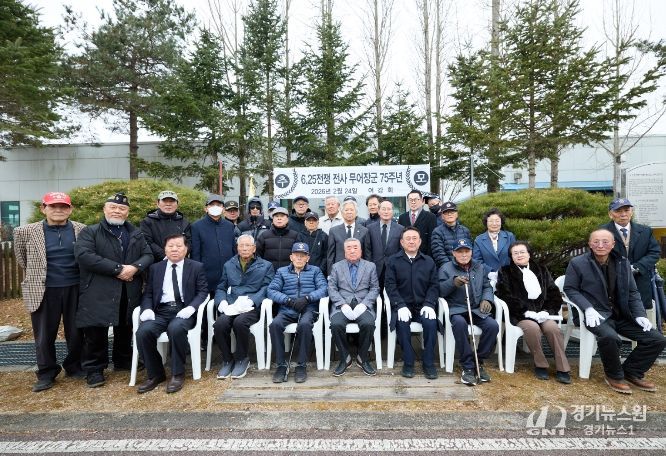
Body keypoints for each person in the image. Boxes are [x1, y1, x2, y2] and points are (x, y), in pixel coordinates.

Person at [564, 229, 666, 394]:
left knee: (656, 339)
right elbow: (570, 289)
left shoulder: (623, 262)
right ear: (590, 244)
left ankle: (632, 371)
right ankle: (614, 375)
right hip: (595, 315)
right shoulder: (577, 263)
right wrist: (587, 308)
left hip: (621, 314)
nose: (600, 245)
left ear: (613, 244)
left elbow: (632, 292)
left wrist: (640, 315)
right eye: (596, 241)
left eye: (605, 242)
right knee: (610, 337)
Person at [74, 193, 153, 388]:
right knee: (95, 330)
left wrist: (135, 268)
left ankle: (123, 359)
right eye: (113, 207)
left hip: (128, 288)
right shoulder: (90, 232)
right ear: (104, 209)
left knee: (125, 325)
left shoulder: (135, 233)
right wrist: (118, 269)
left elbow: (148, 255)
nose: (117, 211)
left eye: (122, 208)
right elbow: (85, 256)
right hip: (98, 289)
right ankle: (94, 369)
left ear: (127, 212)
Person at [14, 192, 86, 392]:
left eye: (63, 206)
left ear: (70, 209)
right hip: (43, 289)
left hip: (76, 287)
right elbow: (22, 259)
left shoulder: (82, 229)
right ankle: (46, 372)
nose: (58, 210)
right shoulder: (24, 231)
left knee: (77, 332)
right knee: (44, 335)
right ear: (43, 208)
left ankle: (74, 366)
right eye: (53, 206)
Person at [135, 234, 209, 394]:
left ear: (186, 249)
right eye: (170, 246)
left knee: (176, 329)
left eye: (179, 246)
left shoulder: (196, 267)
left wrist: (192, 308)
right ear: (165, 249)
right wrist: (146, 308)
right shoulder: (156, 268)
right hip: (161, 311)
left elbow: (203, 291)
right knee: (143, 332)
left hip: (183, 310)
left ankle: (177, 373)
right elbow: (148, 293)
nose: (174, 249)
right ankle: (155, 374)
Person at [495, 241, 571, 383]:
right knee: (532, 328)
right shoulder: (505, 271)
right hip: (521, 314)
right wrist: (525, 312)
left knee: (553, 328)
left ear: (529, 254)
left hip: (543, 313)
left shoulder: (541, 270)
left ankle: (562, 367)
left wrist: (547, 311)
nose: (519, 255)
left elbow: (554, 293)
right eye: (515, 253)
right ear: (511, 256)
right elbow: (504, 295)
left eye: (522, 252)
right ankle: (540, 364)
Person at [213, 234, 275, 380]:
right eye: (242, 245)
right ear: (237, 248)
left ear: (254, 248)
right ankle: (227, 360)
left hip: (252, 306)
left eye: (248, 245)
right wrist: (221, 302)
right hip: (233, 304)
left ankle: (242, 359)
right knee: (220, 324)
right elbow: (221, 287)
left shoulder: (265, 265)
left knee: (240, 322)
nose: (245, 248)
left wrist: (253, 301)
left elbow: (267, 287)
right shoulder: (229, 264)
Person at [439, 238, 498, 386]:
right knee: (459, 324)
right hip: (456, 309)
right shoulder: (445, 268)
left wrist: (487, 299)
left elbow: (487, 286)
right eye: (460, 252)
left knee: (493, 326)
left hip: (476, 309)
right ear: (453, 253)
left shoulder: (479, 267)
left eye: (466, 251)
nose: (464, 255)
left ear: (471, 252)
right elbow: (439, 290)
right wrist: (452, 282)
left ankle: (478, 361)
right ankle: (467, 366)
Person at [267, 242, 328, 383]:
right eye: (296, 255)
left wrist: (307, 298)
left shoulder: (315, 271)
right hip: (287, 309)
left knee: (305, 325)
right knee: (274, 325)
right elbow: (271, 290)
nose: (299, 258)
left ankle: (301, 365)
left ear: (308, 258)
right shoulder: (281, 271)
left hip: (308, 308)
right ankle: (281, 365)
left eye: (303, 255)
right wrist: (288, 300)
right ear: (291, 257)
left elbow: (324, 288)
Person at [384, 227, 439, 379]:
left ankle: (428, 362)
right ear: (402, 242)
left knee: (431, 324)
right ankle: (408, 362)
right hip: (403, 306)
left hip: (423, 306)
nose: (411, 241)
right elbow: (390, 286)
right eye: (408, 239)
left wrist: (429, 304)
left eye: (415, 238)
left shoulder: (428, 261)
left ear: (420, 242)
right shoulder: (393, 261)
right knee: (402, 325)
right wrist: (399, 305)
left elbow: (434, 285)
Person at [328, 238, 380, 376]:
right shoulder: (336, 267)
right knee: (336, 324)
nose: (352, 251)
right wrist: (342, 304)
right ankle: (345, 358)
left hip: (363, 303)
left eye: (355, 248)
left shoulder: (370, 266)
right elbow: (332, 288)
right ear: (344, 251)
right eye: (349, 248)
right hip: (342, 305)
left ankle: (362, 357)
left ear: (361, 251)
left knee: (368, 324)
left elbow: (375, 288)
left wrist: (364, 304)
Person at [602, 198, 661, 310]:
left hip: (640, 281)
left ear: (631, 212)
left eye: (626, 210)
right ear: (610, 214)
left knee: (641, 314)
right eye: (618, 211)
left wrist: (636, 267)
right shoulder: (602, 232)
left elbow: (654, 252)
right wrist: (619, 269)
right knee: (615, 312)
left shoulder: (645, 231)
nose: (623, 214)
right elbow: (599, 254)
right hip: (613, 281)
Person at [190, 195, 237, 297]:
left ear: (223, 209)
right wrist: (198, 275)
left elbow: (234, 250)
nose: (215, 207)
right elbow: (195, 254)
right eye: (212, 204)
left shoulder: (229, 226)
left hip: (228, 274)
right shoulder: (196, 226)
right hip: (207, 276)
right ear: (206, 208)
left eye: (218, 205)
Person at [140, 190, 191, 263]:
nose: (168, 204)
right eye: (165, 201)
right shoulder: (147, 222)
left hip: (180, 262)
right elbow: (147, 241)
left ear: (177, 204)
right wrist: (165, 255)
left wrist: (178, 255)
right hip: (155, 263)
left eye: (171, 201)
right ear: (158, 203)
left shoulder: (184, 222)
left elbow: (188, 242)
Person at [364, 200, 404, 289]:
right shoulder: (369, 228)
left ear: (392, 212)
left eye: (389, 209)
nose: (386, 212)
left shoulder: (400, 229)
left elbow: (401, 250)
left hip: (393, 268)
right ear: (378, 211)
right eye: (383, 209)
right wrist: (369, 266)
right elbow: (367, 250)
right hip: (374, 268)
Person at [472, 208, 516, 281]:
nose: (494, 224)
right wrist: (489, 273)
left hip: (509, 277)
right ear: (486, 222)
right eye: (491, 221)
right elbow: (477, 261)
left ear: (501, 222)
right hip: (488, 278)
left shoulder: (509, 236)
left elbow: (515, 256)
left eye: (497, 221)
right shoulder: (479, 240)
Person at [327, 200, 369, 273]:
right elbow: (331, 255)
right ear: (342, 213)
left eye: (351, 210)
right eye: (346, 210)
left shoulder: (364, 231)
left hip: (359, 270)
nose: (349, 212)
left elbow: (367, 254)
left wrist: (367, 271)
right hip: (339, 270)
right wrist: (330, 274)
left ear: (356, 213)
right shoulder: (334, 231)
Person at [431, 201, 472, 268]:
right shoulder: (437, 232)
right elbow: (439, 254)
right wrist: (451, 269)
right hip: (447, 269)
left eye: (452, 212)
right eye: (446, 212)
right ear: (442, 216)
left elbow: (470, 250)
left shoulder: (465, 230)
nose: (449, 214)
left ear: (457, 214)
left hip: (465, 267)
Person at [398, 189, 437, 256]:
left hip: (424, 255)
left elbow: (432, 239)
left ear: (422, 201)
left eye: (416, 199)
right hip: (406, 256)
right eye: (410, 200)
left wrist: (428, 257)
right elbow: (401, 238)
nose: (413, 202)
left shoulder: (431, 217)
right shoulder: (402, 217)